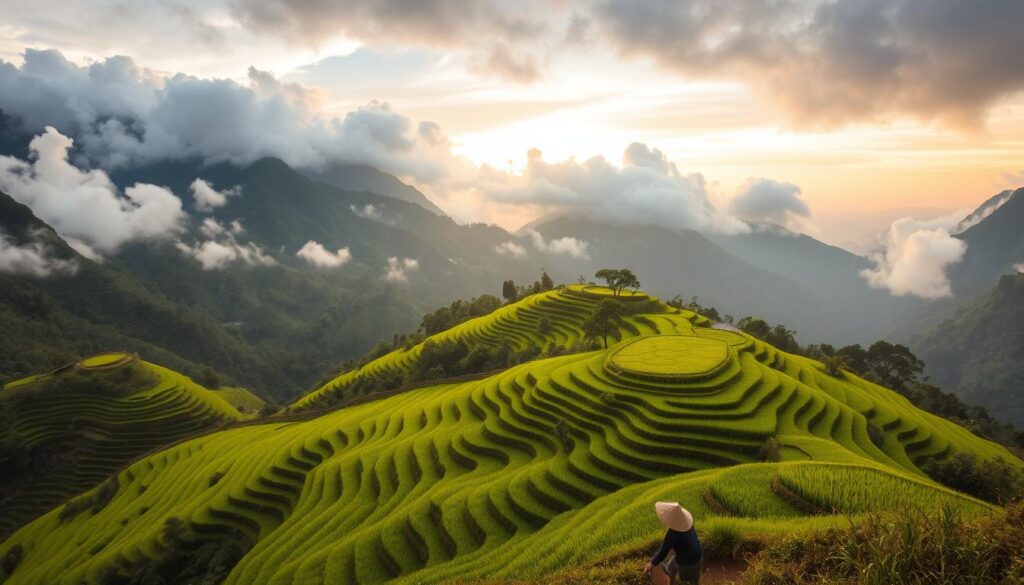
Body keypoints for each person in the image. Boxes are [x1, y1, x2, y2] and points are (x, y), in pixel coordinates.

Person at [643, 501, 702, 584]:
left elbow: (663, 551)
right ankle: (673, 576)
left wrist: (651, 564)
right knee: (675, 565)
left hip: (688, 562)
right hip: (698, 552)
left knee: (687, 580)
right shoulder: (687, 521)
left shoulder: (673, 534)